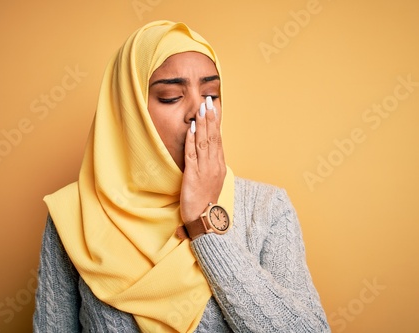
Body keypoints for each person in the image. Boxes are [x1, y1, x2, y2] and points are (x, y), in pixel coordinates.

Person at [33, 20, 330, 333]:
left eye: (211, 95)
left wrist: (206, 224)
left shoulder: (266, 209)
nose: (197, 111)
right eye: (171, 96)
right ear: (127, 110)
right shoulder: (74, 216)